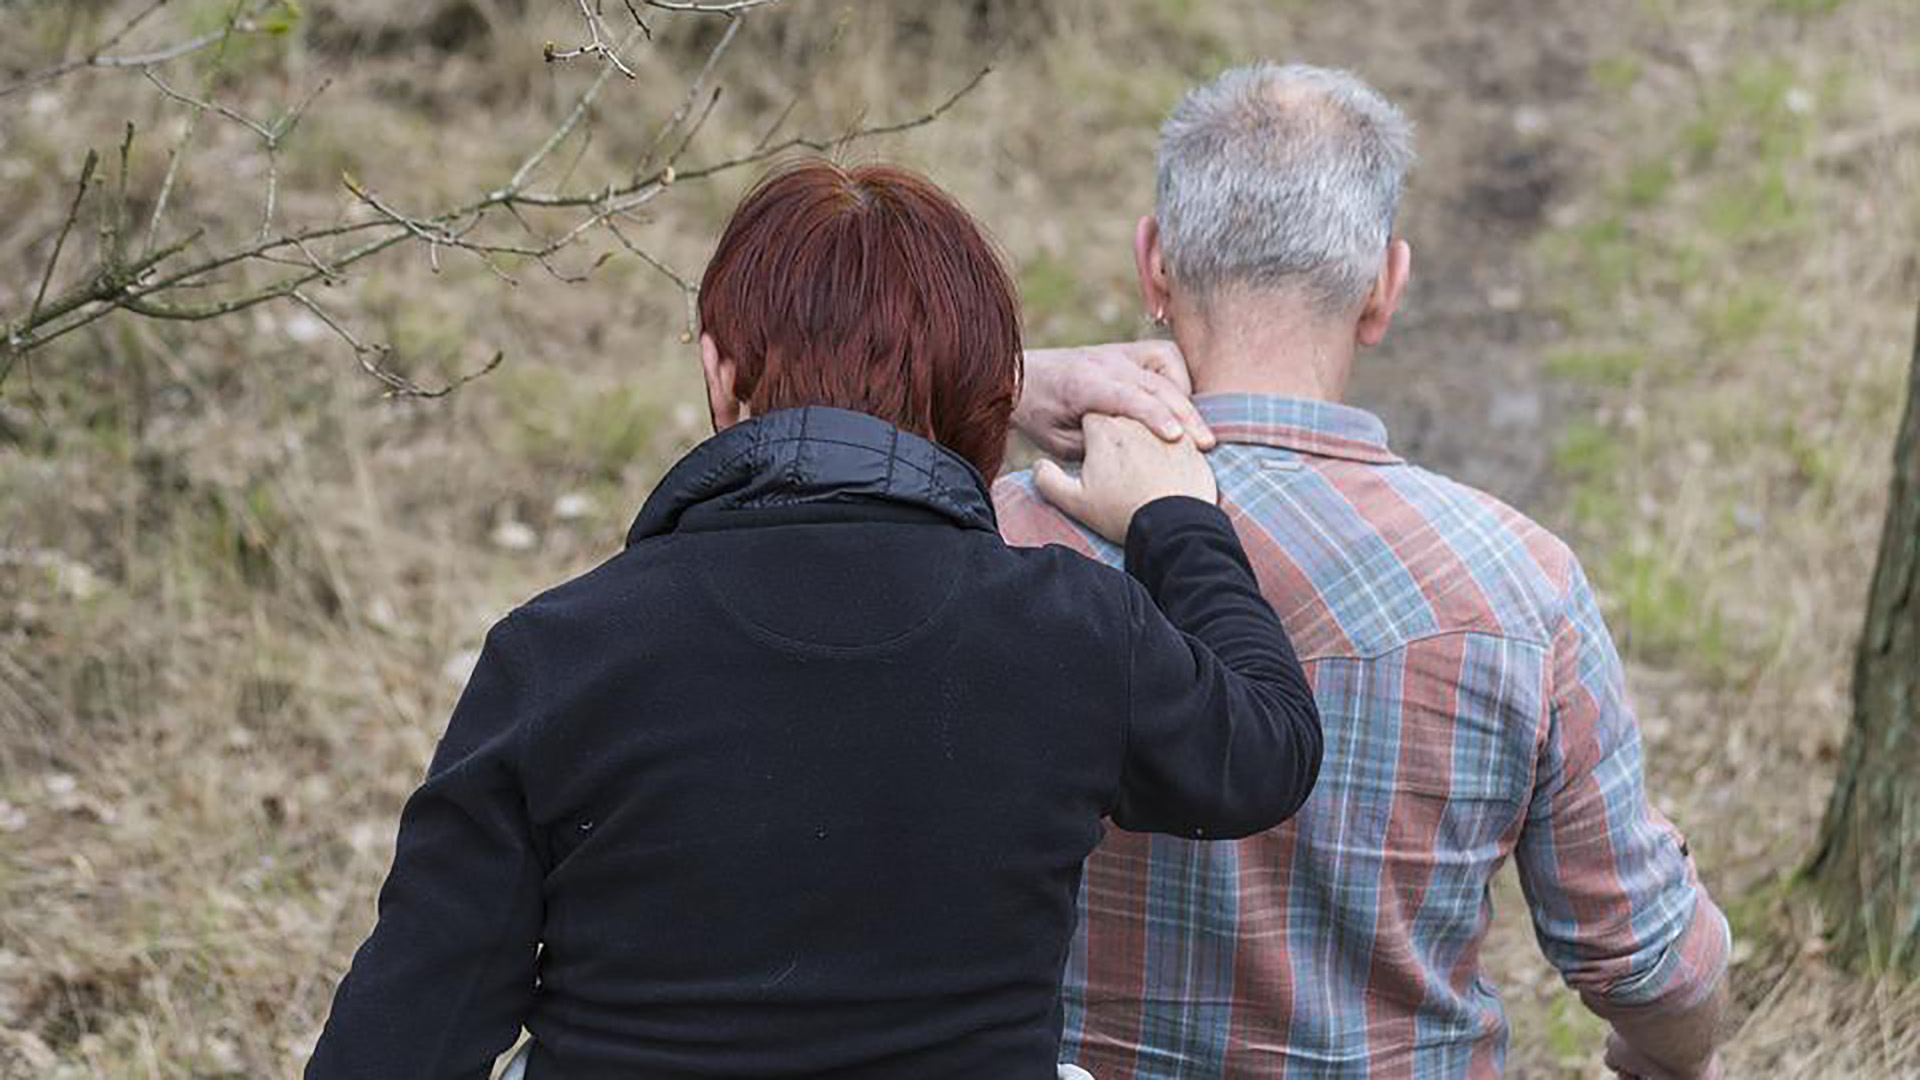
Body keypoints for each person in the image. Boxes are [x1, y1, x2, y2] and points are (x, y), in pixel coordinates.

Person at [304, 159, 1323, 1080]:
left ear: (717, 372)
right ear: (990, 399)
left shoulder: (563, 653)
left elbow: (400, 1044)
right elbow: (1268, 751)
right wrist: (1175, 521)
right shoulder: (1070, 632)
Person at [995, 63, 1731, 1079]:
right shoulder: (1522, 586)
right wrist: (1667, 1058)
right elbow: (1652, 970)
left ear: (1154, 265)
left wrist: (1005, 381)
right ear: (1386, 287)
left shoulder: (999, 541)